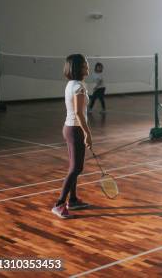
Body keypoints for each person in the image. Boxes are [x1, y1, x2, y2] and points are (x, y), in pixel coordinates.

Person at [52, 54, 93, 218]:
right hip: (74, 129)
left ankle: (73, 200)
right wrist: (87, 133)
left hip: (69, 128)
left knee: (74, 167)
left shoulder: (72, 84)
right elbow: (78, 113)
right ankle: (59, 204)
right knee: (76, 168)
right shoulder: (79, 87)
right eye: (85, 64)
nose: (88, 66)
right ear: (79, 67)